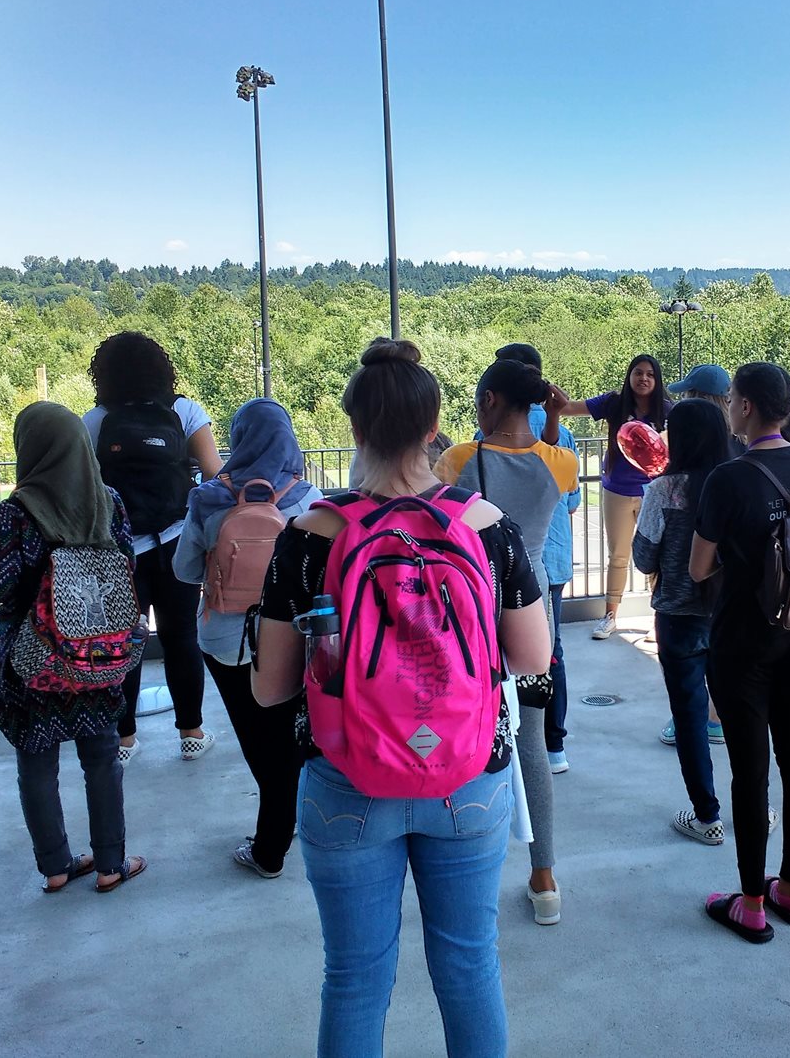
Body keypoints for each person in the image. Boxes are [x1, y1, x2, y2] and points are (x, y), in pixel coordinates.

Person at [252, 338, 551, 1057]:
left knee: (354, 979)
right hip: (470, 774)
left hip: (345, 776)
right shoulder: (487, 528)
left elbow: (269, 688)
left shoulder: (308, 534)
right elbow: (535, 659)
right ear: (432, 425)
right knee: (470, 966)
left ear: (355, 428)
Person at [691, 362, 790, 943]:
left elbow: (700, 565)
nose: (728, 406)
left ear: (747, 406)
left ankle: (750, 903)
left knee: (748, 772)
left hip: (741, 641)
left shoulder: (728, 478)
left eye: (731, 399)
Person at [437, 357, 580, 925]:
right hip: (534, 612)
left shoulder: (459, 460)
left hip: (470, 614)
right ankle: (544, 879)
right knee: (535, 745)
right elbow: (552, 464)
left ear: (490, 400)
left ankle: (465, 870)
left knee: (464, 734)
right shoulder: (562, 463)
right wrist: (553, 417)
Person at [0, 403, 145, 891]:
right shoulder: (108, 501)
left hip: (33, 658)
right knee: (101, 756)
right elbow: (126, 568)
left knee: (36, 761)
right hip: (96, 654)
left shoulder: (14, 512)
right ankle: (112, 865)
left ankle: (55, 867)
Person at [172, 398, 316, 878]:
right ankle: (288, 815)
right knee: (290, 734)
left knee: (257, 739)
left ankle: (269, 847)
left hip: (226, 640)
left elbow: (185, 570)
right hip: (292, 634)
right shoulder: (308, 499)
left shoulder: (208, 498)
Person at [84, 332, 223, 764]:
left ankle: (123, 740)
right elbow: (215, 473)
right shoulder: (183, 411)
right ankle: (191, 733)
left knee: (124, 642)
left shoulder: (93, 421)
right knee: (181, 636)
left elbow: (84, 487)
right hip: (177, 541)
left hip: (120, 548)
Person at [633, 399, 733, 844]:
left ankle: (707, 816)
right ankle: (755, 805)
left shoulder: (663, 489)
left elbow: (642, 558)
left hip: (677, 615)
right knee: (742, 714)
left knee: (690, 718)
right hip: (732, 615)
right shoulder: (737, 481)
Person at [491, 342, 582, 776]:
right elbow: (569, 498)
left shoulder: (467, 454)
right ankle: (553, 744)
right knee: (548, 656)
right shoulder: (560, 452)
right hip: (542, 572)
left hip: (489, 579)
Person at [553, 354, 671, 640]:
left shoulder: (668, 411)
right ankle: (610, 617)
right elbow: (569, 408)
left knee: (656, 556)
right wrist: (549, 393)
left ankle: (659, 620)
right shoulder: (613, 403)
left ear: (657, 380)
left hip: (652, 492)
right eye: (638, 373)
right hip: (617, 489)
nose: (643, 379)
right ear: (629, 376)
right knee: (618, 555)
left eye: (650, 374)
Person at [669, 363, 746, 458]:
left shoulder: (695, 442)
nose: (682, 397)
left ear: (698, 399)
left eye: (686, 393)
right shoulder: (741, 438)